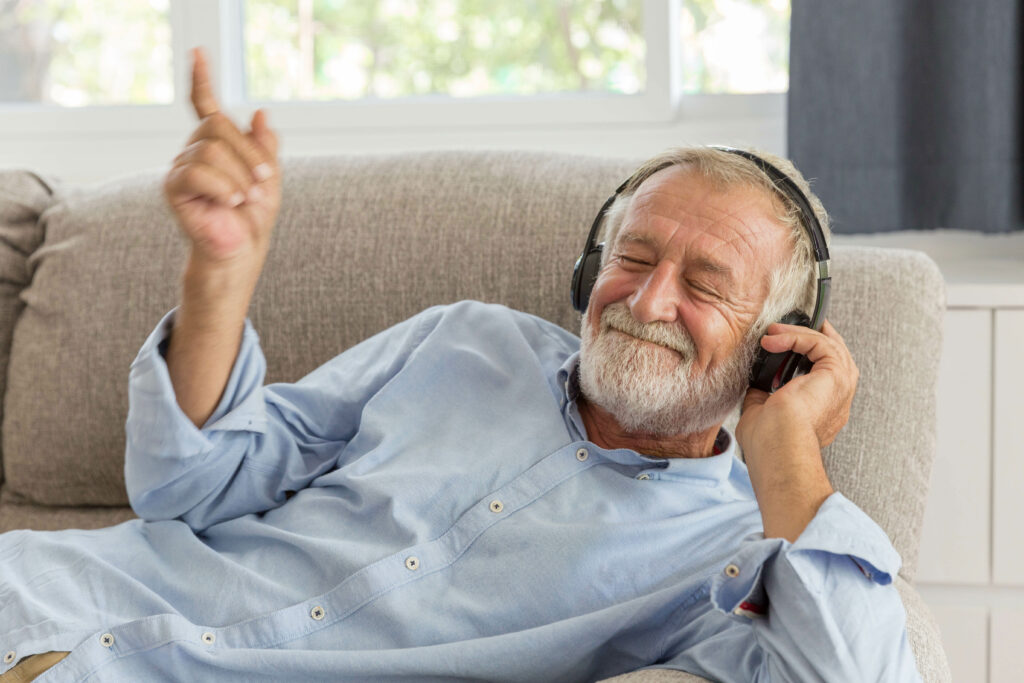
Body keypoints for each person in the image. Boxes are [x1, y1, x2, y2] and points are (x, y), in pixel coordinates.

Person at [0, 48, 921, 683]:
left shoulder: (729, 555)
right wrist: (221, 273)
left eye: (706, 283)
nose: (645, 302)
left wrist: (787, 443)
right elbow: (190, 484)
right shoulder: (465, 340)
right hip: (37, 596)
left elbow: (848, 671)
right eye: (633, 258)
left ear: (778, 338)